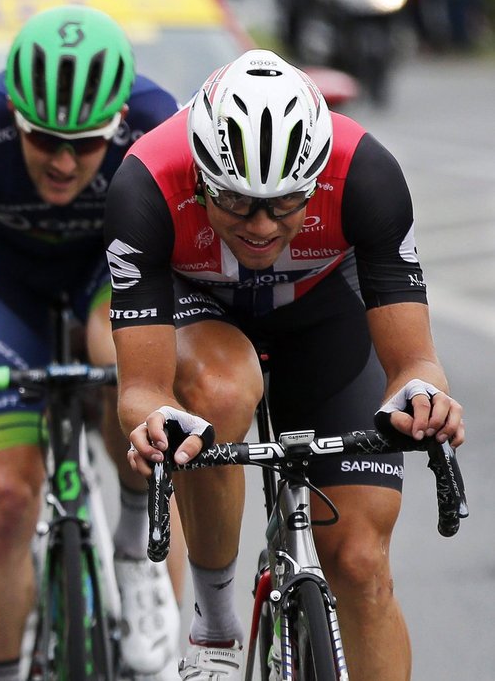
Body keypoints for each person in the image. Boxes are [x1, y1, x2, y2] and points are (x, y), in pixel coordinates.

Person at [103, 48, 465, 681]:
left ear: (319, 175)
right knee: (214, 394)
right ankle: (215, 633)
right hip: (202, 309)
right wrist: (156, 422)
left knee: (358, 561)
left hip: (325, 317)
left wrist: (423, 398)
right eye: (237, 203)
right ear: (200, 177)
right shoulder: (146, 183)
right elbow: (142, 389)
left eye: (287, 203)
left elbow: (415, 364)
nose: (263, 226)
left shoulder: (366, 174)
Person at [0, 6, 184, 680]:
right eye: (44, 141)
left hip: (108, 276)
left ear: (119, 123)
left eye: (87, 144)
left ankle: (134, 544)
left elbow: (185, 266)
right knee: (7, 497)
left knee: (118, 365)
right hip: (2, 291)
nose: (65, 163)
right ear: (14, 115)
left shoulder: (160, 125)